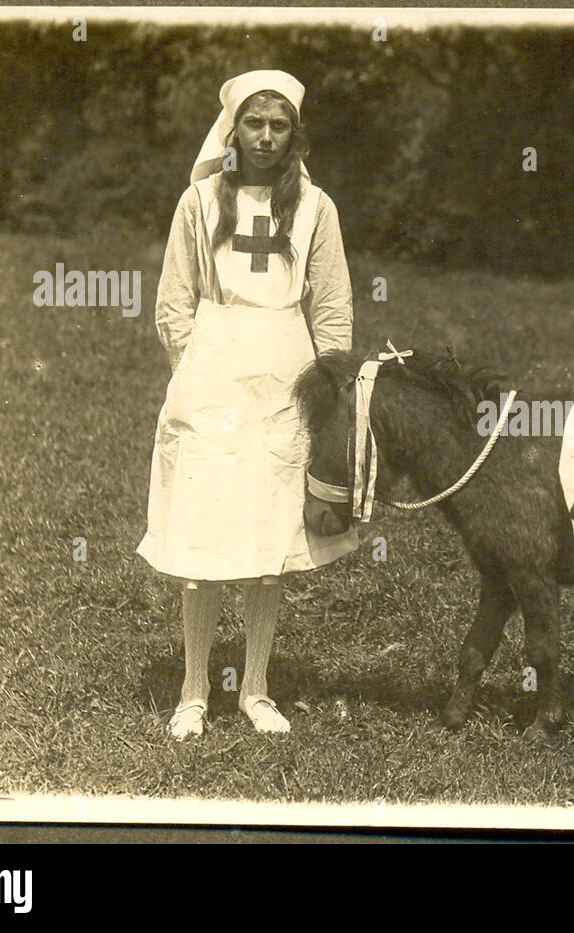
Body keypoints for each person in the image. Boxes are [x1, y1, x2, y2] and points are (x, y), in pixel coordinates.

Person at [137, 70, 358, 740]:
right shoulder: (199, 202)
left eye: (279, 124)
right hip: (212, 379)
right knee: (204, 536)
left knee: (268, 537)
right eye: (254, 124)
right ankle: (195, 689)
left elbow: (333, 309)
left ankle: (257, 687)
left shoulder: (315, 207)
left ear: (295, 132)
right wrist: (200, 368)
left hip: (285, 384)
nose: (266, 137)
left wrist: (326, 392)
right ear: (233, 132)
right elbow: (174, 303)